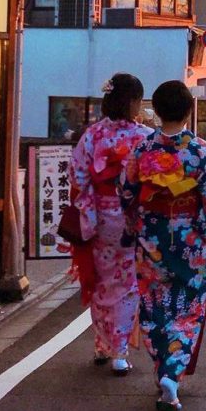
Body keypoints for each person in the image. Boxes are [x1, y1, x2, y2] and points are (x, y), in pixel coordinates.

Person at [121, 80, 206, 411]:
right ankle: (171, 374)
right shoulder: (201, 151)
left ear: (156, 109)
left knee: (154, 309)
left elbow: (126, 193)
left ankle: (161, 370)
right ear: (187, 111)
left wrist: (137, 222)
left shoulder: (141, 151)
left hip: (152, 243)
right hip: (191, 245)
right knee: (188, 309)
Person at [69, 73, 149, 375]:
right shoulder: (142, 137)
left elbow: (78, 177)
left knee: (101, 281)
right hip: (131, 219)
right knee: (127, 284)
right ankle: (119, 350)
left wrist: (88, 210)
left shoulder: (92, 135)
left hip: (99, 220)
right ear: (132, 103)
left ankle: (101, 345)